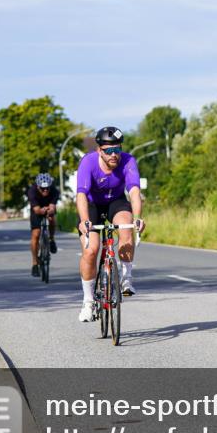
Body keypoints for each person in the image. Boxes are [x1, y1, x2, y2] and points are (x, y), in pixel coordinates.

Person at [75, 127, 146, 322]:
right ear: (99, 150)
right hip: (92, 204)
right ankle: (88, 302)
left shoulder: (128, 161)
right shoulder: (88, 162)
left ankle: (126, 278)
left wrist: (138, 217)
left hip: (116, 201)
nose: (114, 154)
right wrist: (84, 221)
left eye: (117, 149)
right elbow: (81, 194)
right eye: (108, 150)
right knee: (91, 250)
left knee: (126, 227)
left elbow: (133, 192)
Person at [28, 173, 59, 277]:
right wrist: (41, 210)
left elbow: (53, 207)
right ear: (37, 186)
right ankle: (35, 264)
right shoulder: (32, 191)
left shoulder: (54, 191)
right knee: (36, 234)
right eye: (42, 188)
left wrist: (49, 210)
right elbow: (36, 210)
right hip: (37, 210)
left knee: (52, 219)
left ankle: (51, 239)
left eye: (47, 188)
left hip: (48, 207)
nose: (45, 190)